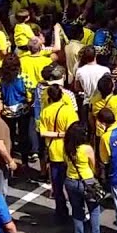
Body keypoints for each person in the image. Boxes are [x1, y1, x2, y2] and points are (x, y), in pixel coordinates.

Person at [38, 84, 77, 222]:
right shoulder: (68, 110)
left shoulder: (45, 111)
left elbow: (42, 132)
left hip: (53, 152)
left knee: (57, 185)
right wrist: (63, 134)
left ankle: (61, 213)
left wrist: (56, 134)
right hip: (68, 151)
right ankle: (77, 211)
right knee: (73, 184)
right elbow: (74, 131)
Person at [63, 122, 105, 233]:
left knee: (77, 211)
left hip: (70, 181)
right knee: (94, 209)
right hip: (87, 181)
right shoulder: (87, 149)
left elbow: (65, 163)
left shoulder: (67, 148)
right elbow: (93, 165)